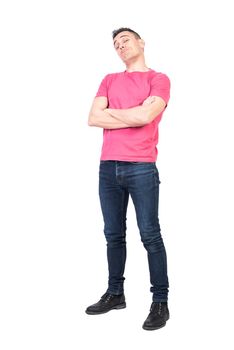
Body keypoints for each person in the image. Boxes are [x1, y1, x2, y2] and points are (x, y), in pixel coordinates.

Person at [85, 27, 170, 331]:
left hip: (142, 166)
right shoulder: (109, 79)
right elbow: (93, 117)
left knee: (150, 234)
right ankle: (115, 293)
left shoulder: (158, 79)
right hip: (108, 167)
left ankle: (160, 301)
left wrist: (118, 113)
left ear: (141, 43)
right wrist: (133, 113)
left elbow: (146, 117)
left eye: (125, 40)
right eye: (116, 44)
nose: (120, 46)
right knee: (113, 234)